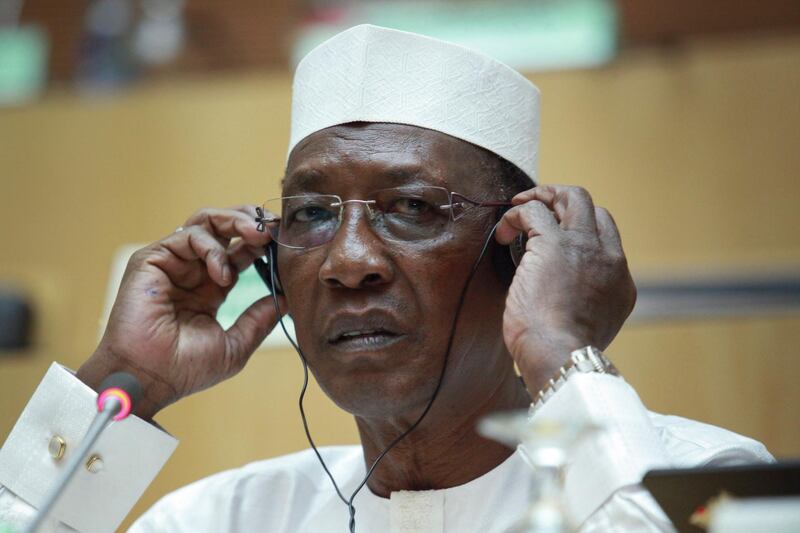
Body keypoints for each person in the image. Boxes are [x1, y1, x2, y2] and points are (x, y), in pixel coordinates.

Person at [0, 24, 772, 533]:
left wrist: (561, 353)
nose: (348, 262)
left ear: (520, 247)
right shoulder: (223, 517)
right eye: (309, 214)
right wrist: (124, 385)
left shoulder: (712, 482)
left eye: (411, 206)